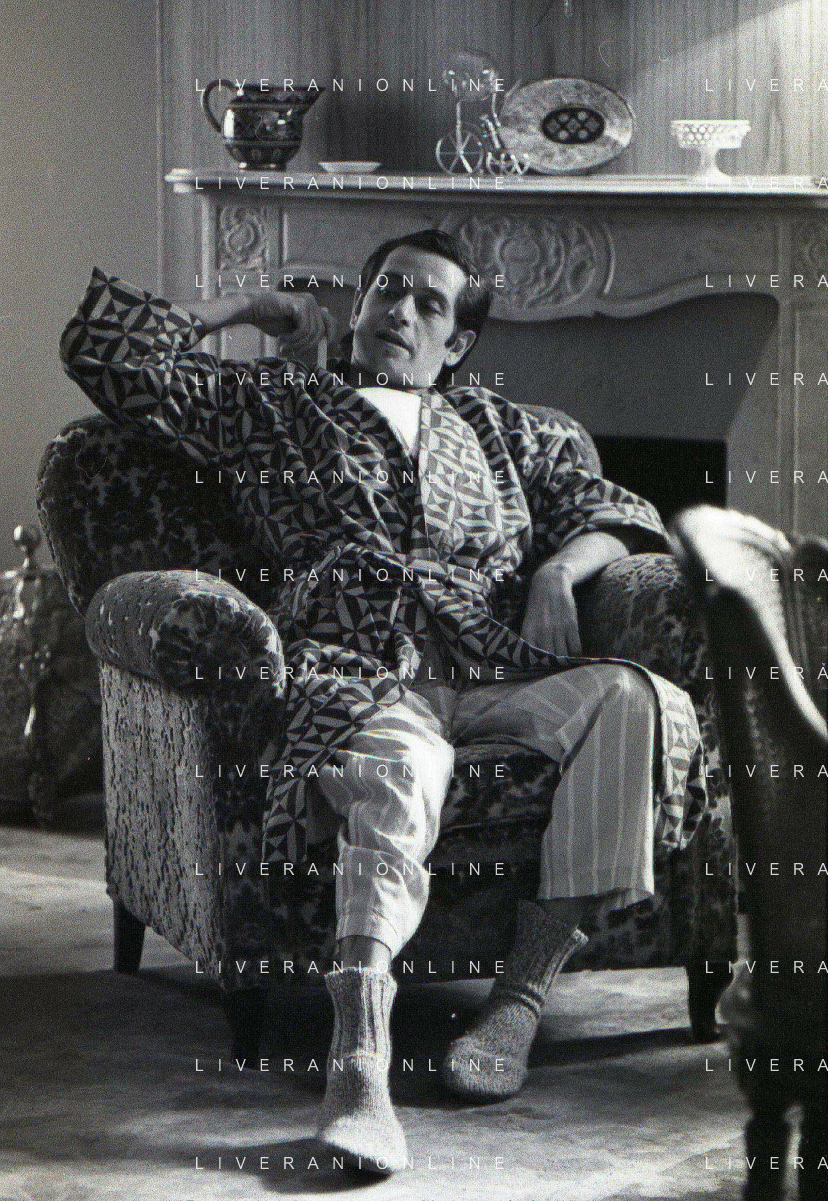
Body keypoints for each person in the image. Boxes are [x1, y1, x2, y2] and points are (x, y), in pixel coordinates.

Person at [60, 229, 705, 1174]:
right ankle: (358, 1051)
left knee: (630, 697)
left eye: (429, 302)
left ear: (459, 343)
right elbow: (107, 353)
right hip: (360, 660)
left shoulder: (507, 429)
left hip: (494, 661)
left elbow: (619, 514)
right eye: (387, 290)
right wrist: (250, 306)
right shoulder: (274, 403)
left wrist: (561, 570)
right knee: (402, 767)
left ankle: (518, 998)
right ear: (357, 307)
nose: (401, 309)